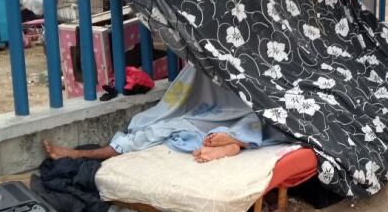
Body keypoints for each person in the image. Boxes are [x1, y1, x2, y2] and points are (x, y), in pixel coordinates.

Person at [43, 63, 287, 163]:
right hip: (214, 115)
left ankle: (233, 142)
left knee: (261, 117)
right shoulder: (213, 48)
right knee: (158, 124)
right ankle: (232, 142)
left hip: (252, 112)